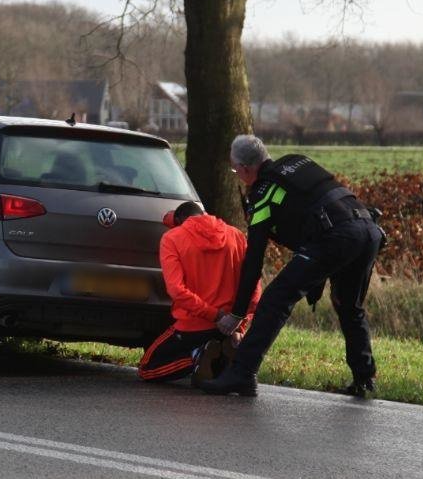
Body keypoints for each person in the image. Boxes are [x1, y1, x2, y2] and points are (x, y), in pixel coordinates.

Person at [200, 136, 384, 397]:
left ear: (244, 169)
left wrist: (238, 313)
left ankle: (241, 374)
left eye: (235, 171)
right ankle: (364, 379)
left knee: (275, 299)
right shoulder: (297, 161)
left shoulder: (262, 194)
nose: (237, 175)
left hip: (336, 237)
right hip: (368, 229)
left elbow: (254, 259)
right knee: (348, 305)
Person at [138, 201, 260, 385]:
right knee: (215, 372)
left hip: (194, 326)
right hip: (230, 325)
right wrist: (240, 323)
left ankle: (197, 356)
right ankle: (225, 357)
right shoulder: (236, 235)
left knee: (147, 368)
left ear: (180, 221)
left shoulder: (172, 238)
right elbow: (254, 286)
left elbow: (176, 290)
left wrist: (214, 314)